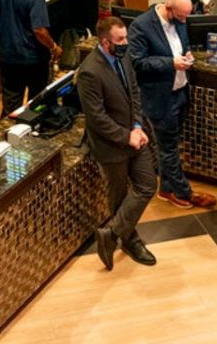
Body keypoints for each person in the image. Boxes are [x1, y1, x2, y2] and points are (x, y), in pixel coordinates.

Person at [79, 17, 157, 270]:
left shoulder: (123, 57)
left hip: (133, 135)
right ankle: (130, 240)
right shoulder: (90, 71)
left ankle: (111, 234)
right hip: (110, 146)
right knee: (119, 196)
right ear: (105, 42)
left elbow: (134, 92)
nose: (126, 43)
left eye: (126, 38)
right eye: (120, 40)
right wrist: (125, 136)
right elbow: (96, 117)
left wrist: (136, 126)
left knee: (147, 185)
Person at [129, 0, 215, 209]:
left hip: (180, 91)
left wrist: (187, 55)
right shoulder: (141, 26)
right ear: (168, 8)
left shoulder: (180, 19)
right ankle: (183, 192)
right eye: (181, 16)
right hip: (159, 97)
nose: (184, 21)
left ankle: (166, 190)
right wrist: (170, 63)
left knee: (171, 145)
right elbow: (138, 62)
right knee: (167, 148)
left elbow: (182, 45)